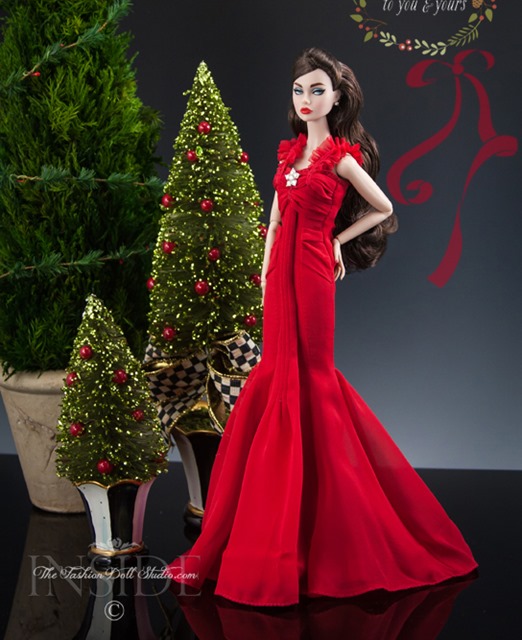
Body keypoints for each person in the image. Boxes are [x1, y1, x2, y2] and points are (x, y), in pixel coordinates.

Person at [166, 47, 478, 606]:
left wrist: (336, 241)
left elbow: (383, 207)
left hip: (312, 274)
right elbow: (273, 220)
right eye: (299, 90)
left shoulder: (340, 158)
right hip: (279, 278)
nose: (306, 99)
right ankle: (272, 523)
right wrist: (264, 276)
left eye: (317, 90)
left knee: (312, 378)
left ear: (336, 98)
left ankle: (324, 528)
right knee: (274, 374)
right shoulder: (289, 155)